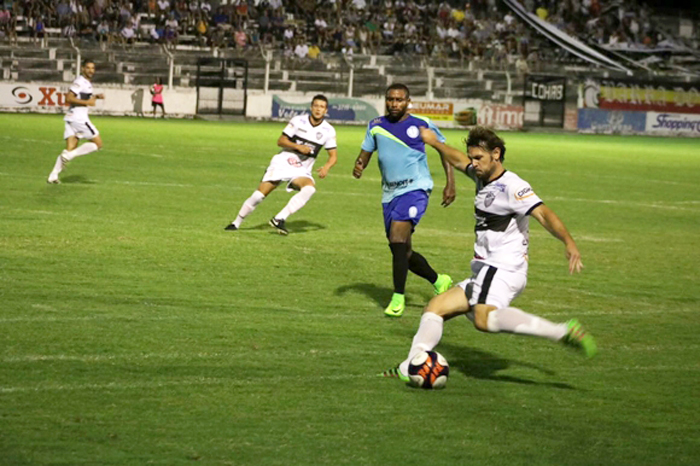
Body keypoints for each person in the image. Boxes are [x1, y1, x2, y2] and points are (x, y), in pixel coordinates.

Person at [382, 126, 597, 382]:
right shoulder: (482, 176)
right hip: (486, 270)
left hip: (503, 268)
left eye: (479, 158)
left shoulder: (512, 186)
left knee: (483, 319)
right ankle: (411, 366)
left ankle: (562, 332)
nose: (473, 163)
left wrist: (568, 242)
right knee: (435, 308)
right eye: (472, 157)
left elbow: (543, 214)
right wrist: (434, 142)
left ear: (496, 154)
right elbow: (458, 160)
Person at [353, 83, 456, 318]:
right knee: (401, 250)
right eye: (390, 99)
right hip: (389, 194)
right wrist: (359, 165)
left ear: (408, 101)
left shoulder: (421, 124)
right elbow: (365, 154)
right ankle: (439, 280)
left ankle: (397, 298)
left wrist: (450, 183)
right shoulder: (376, 126)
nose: (394, 104)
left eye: (399, 100)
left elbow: (444, 151)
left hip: (415, 189)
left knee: (397, 238)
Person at [224, 95, 338, 235]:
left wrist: (326, 167)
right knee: (259, 195)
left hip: (301, 169)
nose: (318, 109)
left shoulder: (329, 130)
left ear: (326, 110)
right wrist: (298, 147)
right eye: (316, 106)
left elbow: (333, 156)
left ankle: (279, 218)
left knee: (309, 189)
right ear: (311, 107)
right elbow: (281, 141)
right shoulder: (298, 121)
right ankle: (236, 222)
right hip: (284, 161)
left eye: (321, 107)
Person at [47, 60, 104, 184]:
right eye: (88, 68)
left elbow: (82, 97)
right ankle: (69, 157)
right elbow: (69, 98)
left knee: (70, 148)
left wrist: (95, 97)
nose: (91, 70)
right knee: (98, 144)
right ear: (82, 68)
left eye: (93, 68)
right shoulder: (79, 82)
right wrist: (88, 102)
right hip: (79, 118)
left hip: (71, 117)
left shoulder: (86, 83)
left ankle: (53, 175)